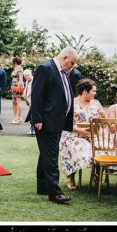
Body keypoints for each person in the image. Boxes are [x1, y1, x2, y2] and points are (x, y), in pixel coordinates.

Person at [31, 46, 79, 204]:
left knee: (45, 153)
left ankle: (43, 186)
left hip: (57, 121)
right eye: (71, 63)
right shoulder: (45, 68)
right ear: (64, 57)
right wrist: (37, 119)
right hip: (46, 121)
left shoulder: (64, 72)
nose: (72, 66)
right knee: (51, 155)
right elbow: (37, 95)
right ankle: (55, 193)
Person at [60, 78, 104, 191]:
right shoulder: (71, 103)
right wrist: (79, 131)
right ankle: (70, 177)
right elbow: (64, 123)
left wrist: (103, 117)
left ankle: (97, 175)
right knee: (78, 148)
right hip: (73, 134)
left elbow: (102, 122)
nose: (95, 93)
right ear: (85, 91)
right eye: (93, 91)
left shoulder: (96, 103)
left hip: (92, 135)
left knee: (102, 148)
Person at [11, 57, 25, 123]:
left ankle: (19, 118)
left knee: (18, 102)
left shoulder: (19, 69)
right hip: (14, 86)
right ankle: (15, 117)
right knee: (13, 102)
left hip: (17, 86)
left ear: (15, 62)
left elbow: (21, 79)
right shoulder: (15, 68)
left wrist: (18, 87)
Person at [23, 69, 34, 135]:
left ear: (31, 74)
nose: (27, 77)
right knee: (31, 116)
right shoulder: (27, 82)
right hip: (29, 102)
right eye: (25, 76)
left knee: (33, 116)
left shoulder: (34, 80)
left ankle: (33, 130)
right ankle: (31, 129)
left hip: (34, 102)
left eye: (28, 75)